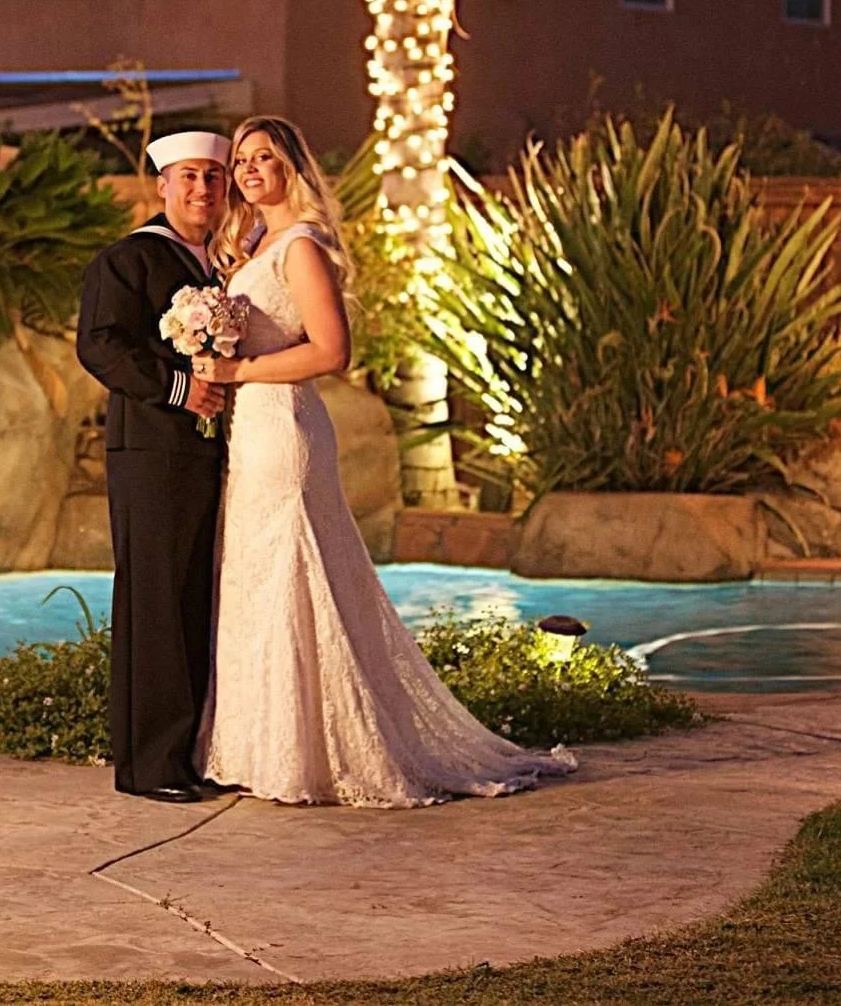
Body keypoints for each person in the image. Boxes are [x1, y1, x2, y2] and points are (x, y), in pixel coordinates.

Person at [192, 116, 575, 807]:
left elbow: (331, 350)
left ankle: (313, 753)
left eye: (264, 156)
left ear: (292, 167)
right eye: (242, 157)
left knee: (292, 574)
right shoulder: (255, 243)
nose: (249, 168)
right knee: (255, 576)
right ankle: (264, 745)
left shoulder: (299, 247)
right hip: (251, 430)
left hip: (284, 428)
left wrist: (241, 369)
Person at [74, 131, 233, 803]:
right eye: (189, 177)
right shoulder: (129, 258)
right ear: (163, 185)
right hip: (151, 453)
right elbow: (99, 345)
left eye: (214, 178)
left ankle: (189, 750)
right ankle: (149, 765)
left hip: (207, 454)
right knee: (156, 605)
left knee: (196, 600)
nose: (202, 190)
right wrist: (178, 388)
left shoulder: (222, 266)